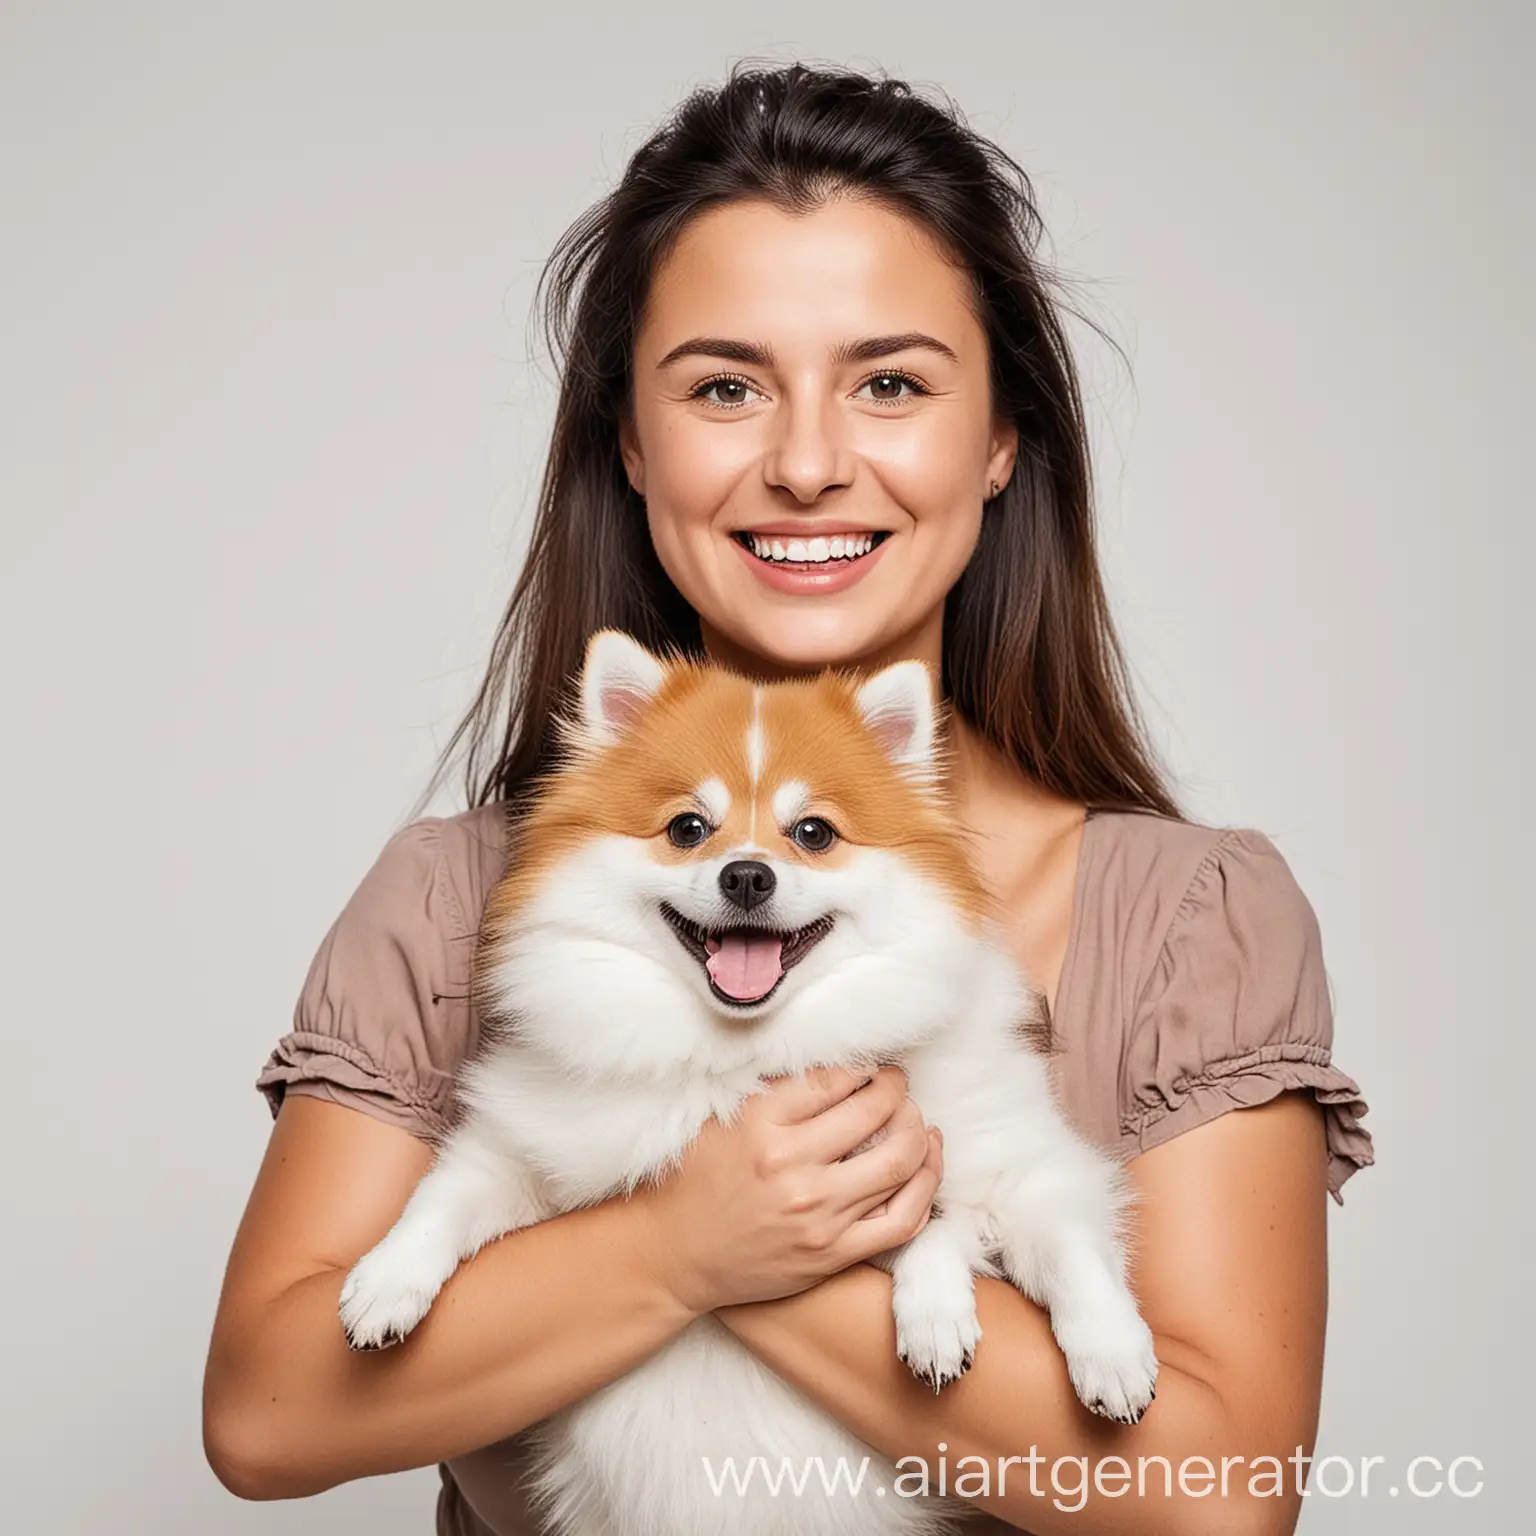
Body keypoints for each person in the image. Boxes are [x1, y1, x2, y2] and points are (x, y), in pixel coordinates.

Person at [203, 61, 1374, 1535]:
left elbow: (1220, 1499)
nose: (809, 464)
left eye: (889, 383)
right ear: (631, 443)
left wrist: (773, 1255)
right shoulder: (454, 900)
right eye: (724, 387)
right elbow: (264, 1412)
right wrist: (679, 1244)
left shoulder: (1190, 923)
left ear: (1002, 436)